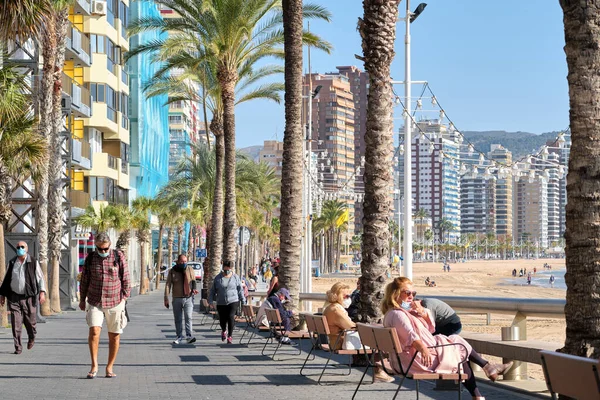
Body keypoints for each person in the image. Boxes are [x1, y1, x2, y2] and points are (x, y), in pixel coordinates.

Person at [382, 277, 512, 400]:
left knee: (457, 345)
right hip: (418, 361)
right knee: (459, 348)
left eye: (413, 293)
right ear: (396, 294)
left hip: (407, 360)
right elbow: (411, 335)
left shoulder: (394, 313)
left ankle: (481, 386)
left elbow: (429, 329)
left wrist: (422, 314)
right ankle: (486, 372)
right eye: (407, 293)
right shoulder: (399, 315)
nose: (411, 296)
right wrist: (423, 349)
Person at [79, 233, 130, 379]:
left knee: (114, 335)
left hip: (115, 301)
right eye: (99, 249)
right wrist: (82, 299)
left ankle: (109, 367)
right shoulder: (90, 258)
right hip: (95, 300)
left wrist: (124, 298)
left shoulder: (118, 256)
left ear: (110, 245)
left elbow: (125, 277)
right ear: (96, 247)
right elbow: (84, 280)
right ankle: (94, 365)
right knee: (94, 330)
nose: (103, 252)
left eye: (105, 249)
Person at [323, 282, 393, 382]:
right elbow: (350, 326)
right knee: (379, 342)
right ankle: (379, 371)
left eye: (349, 296)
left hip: (335, 340)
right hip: (340, 342)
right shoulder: (336, 310)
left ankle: (380, 369)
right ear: (338, 296)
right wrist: (366, 327)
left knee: (377, 341)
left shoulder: (331, 307)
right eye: (346, 296)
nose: (348, 298)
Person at [0, 241, 47, 355]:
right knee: (16, 323)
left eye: (22, 247)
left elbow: (40, 278)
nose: (20, 248)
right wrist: (2, 295)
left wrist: (42, 292)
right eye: (18, 247)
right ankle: (18, 347)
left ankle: (32, 336)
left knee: (30, 322)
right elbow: (7, 280)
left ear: (26, 249)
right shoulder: (12, 262)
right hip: (14, 297)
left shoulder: (33, 262)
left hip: (29, 297)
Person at [164, 254, 197, 345]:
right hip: (177, 298)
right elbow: (168, 285)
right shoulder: (173, 271)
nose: (184, 263)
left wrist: (194, 289)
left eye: (185, 261)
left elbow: (193, 280)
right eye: (182, 261)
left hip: (188, 298)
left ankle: (189, 336)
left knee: (188, 317)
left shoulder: (189, 269)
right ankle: (179, 336)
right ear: (178, 261)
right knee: (178, 319)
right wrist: (166, 297)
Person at [209, 260, 244, 344]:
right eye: (225, 269)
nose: (227, 270)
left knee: (231, 316)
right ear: (223, 268)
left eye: (229, 269)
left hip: (233, 300)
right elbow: (213, 290)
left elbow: (240, 289)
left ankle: (230, 336)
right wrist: (210, 300)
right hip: (221, 302)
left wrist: (243, 300)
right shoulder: (218, 278)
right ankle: (224, 330)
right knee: (222, 319)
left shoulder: (235, 277)